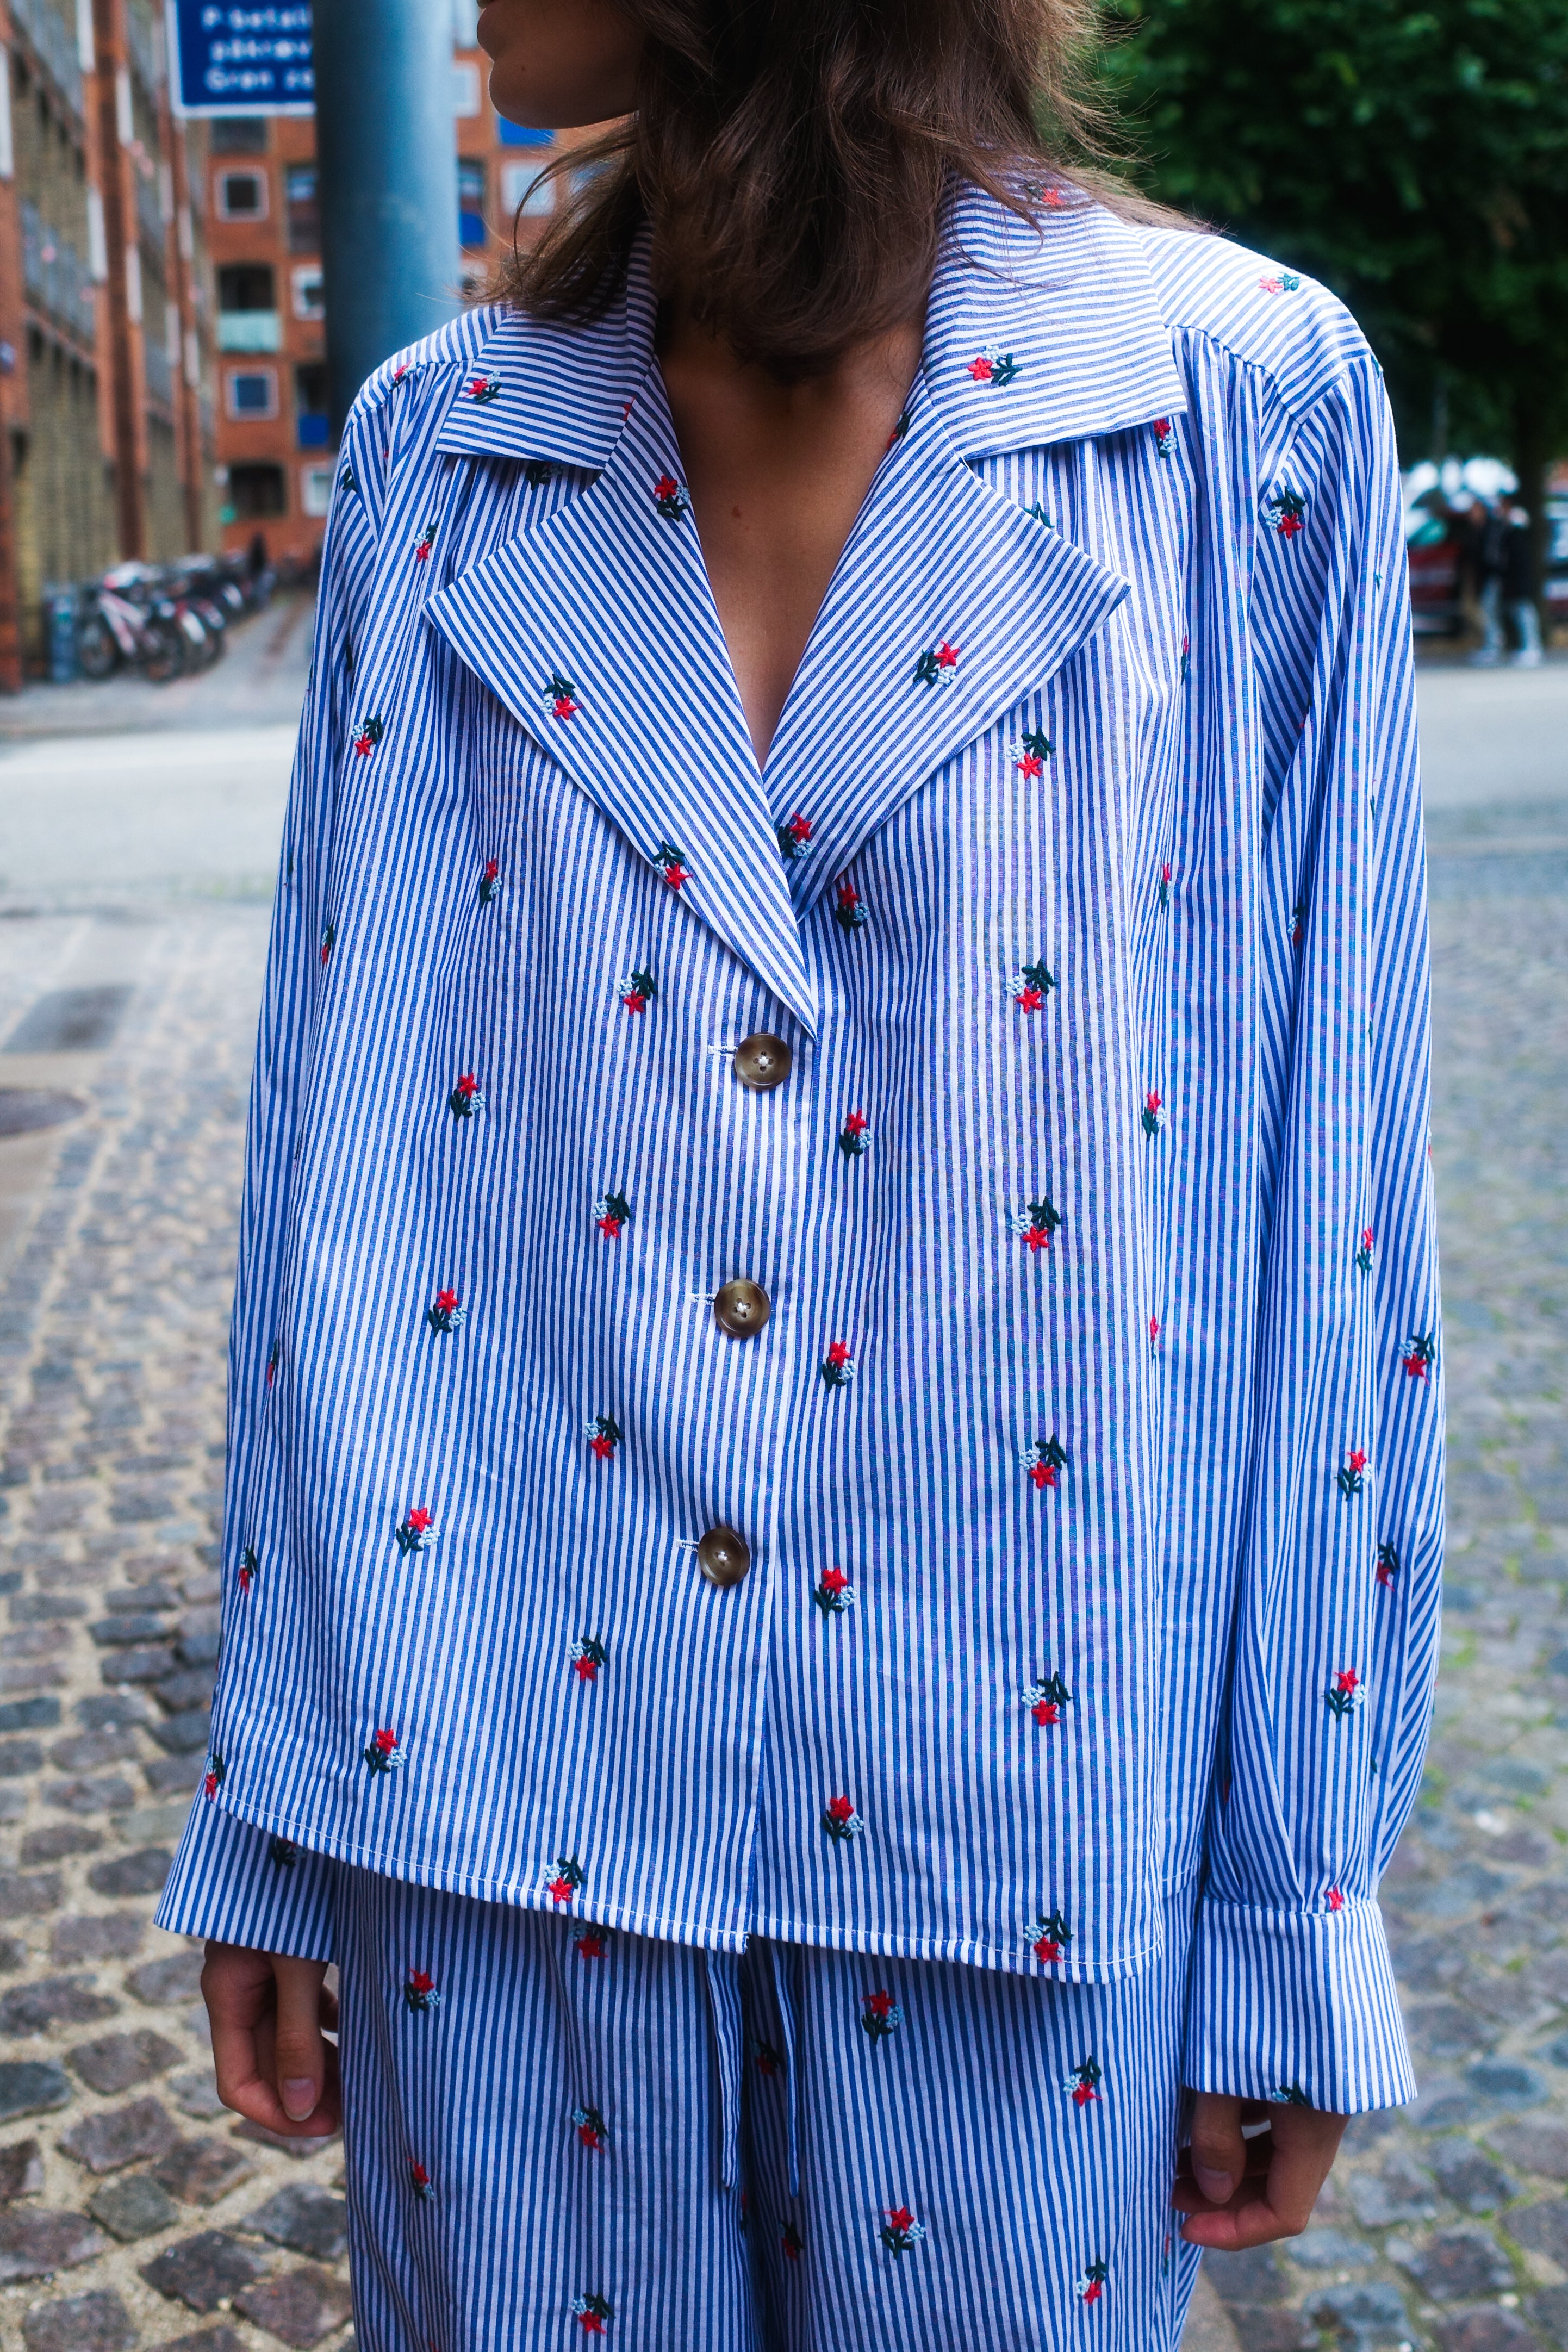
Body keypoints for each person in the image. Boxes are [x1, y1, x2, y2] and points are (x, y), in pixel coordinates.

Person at [156, 2, 1443, 2344]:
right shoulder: (445, 448)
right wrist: (279, 1786)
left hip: (1017, 1792)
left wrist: (1290, 1892)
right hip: (489, 1783)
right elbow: (334, 1154)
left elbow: (1327, 1194)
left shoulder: (1233, 408)